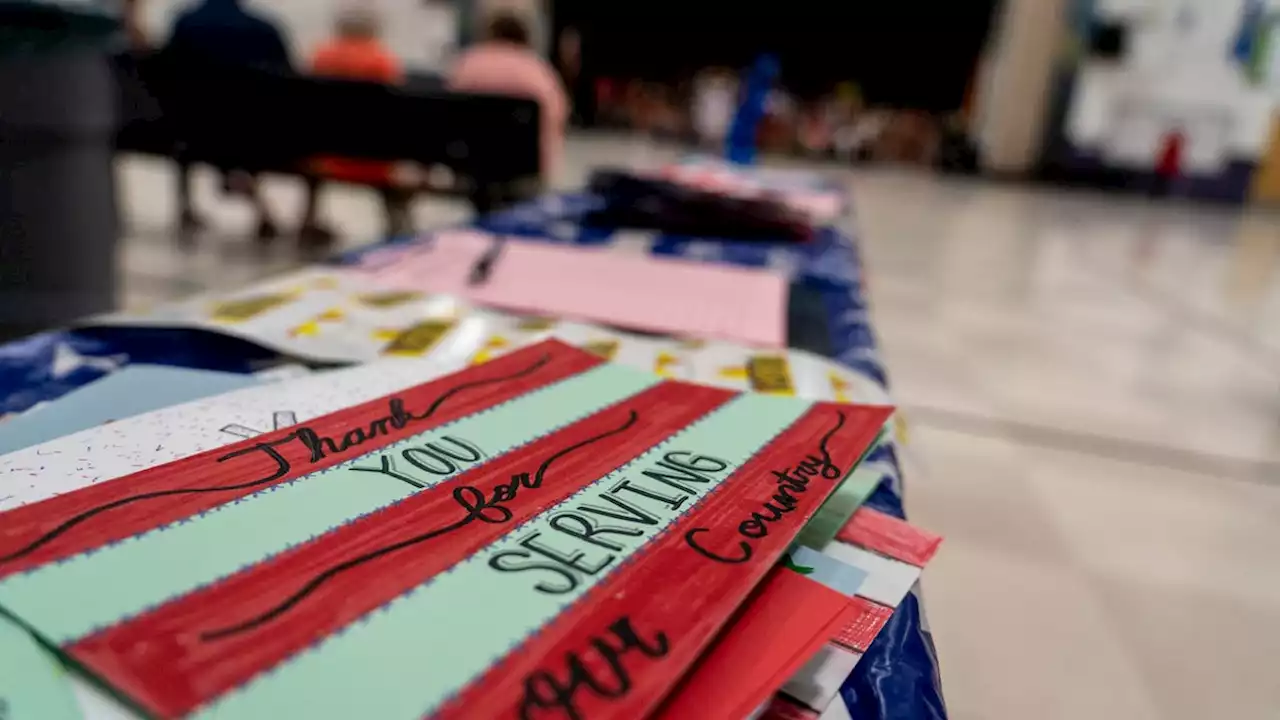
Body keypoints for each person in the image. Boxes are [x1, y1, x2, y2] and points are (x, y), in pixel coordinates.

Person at [164, 0, 292, 239]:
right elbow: (288, 85)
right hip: (253, 133)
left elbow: (166, 76)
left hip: (193, 131)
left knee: (208, 120)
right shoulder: (265, 29)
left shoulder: (185, 23)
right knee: (244, 123)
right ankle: (247, 186)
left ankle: (190, 205)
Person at [300, 5, 410, 243]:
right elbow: (396, 113)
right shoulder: (381, 59)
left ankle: (308, 218)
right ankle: (397, 224)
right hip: (374, 159)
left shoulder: (322, 55)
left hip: (324, 156)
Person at [449, 11, 569, 209]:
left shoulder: (468, 63)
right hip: (525, 169)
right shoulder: (537, 69)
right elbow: (557, 117)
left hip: (472, 167)